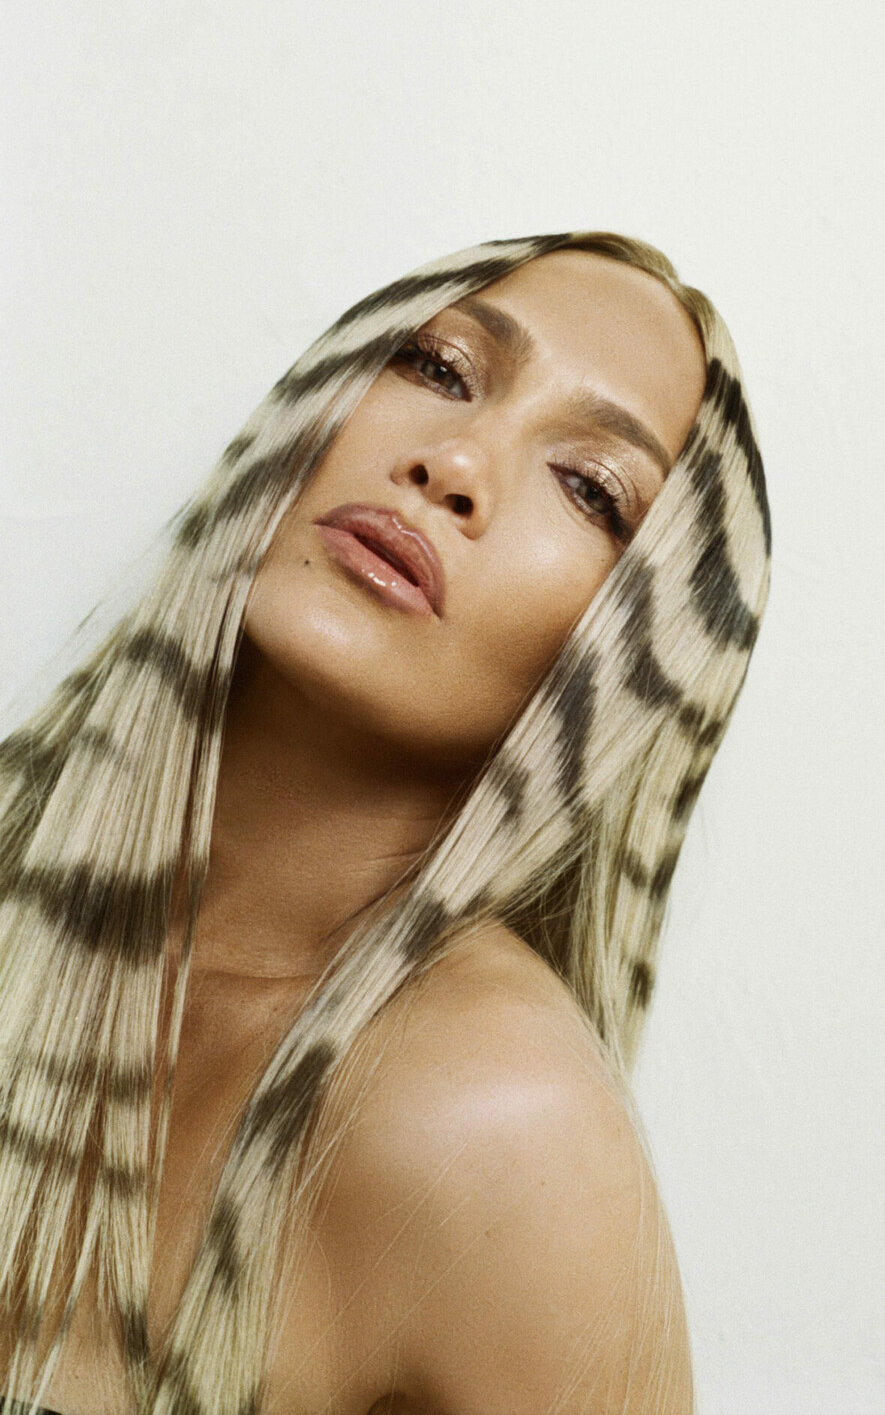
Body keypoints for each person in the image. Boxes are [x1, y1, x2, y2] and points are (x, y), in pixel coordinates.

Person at [0, 231, 771, 1415]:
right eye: (438, 367)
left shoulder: (508, 1134)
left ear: (628, 666)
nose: (454, 463)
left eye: (589, 489)